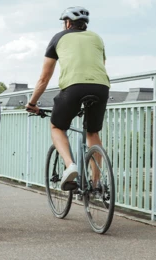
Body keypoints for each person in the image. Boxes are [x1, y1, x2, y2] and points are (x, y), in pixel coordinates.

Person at [25, 7, 110, 190]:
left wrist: (32, 103)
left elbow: (44, 78)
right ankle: (96, 183)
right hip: (101, 87)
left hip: (74, 87)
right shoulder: (97, 38)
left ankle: (70, 166)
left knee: (57, 127)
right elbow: (100, 66)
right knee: (93, 133)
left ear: (68, 23)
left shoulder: (58, 38)